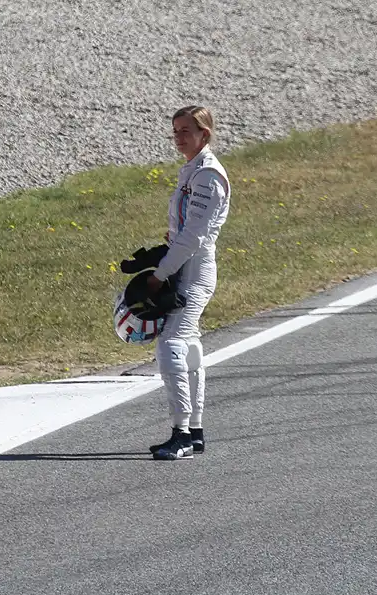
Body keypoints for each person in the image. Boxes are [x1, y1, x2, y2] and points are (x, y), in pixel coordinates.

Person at [144, 105, 231, 461]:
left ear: (204, 134)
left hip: (194, 272)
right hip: (186, 267)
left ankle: (180, 435)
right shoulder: (193, 169)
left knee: (171, 344)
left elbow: (194, 236)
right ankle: (194, 432)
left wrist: (159, 274)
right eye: (175, 130)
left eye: (185, 131)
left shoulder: (208, 175)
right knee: (190, 345)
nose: (178, 137)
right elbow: (185, 229)